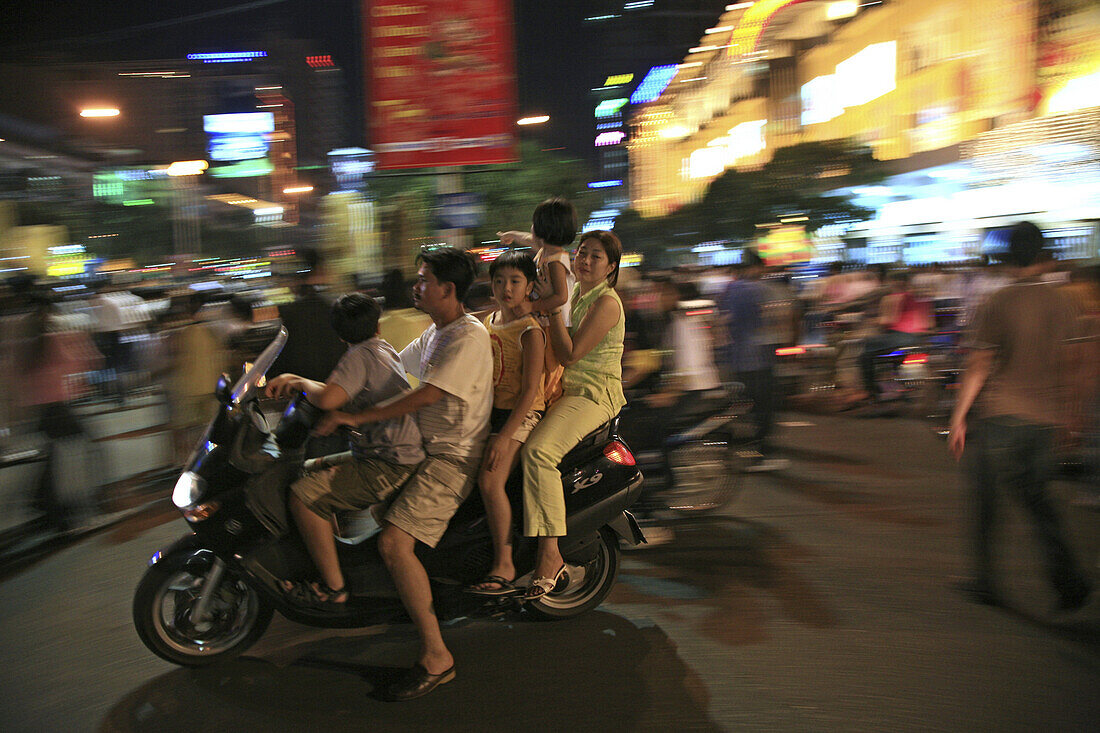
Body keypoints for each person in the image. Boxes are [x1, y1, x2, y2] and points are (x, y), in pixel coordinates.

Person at [318, 247, 493, 701]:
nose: (416, 287)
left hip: (452, 459)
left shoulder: (467, 336)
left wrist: (358, 418)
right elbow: (389, 367)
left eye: (423, 280)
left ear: (447, 290)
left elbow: (426, 396)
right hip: (422, 451)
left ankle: (437, 656)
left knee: (394, 542)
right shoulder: (435, 333)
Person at [948, 222, 1092, 612]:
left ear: (1010, 258)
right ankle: (1069, 581)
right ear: (1043, 256)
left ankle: (984, 582)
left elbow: (979, 364)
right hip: (1046, 422)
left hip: (1003, 419)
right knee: (1038, 502)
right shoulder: (1065, 302)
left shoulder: (1000, 301)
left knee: (987, 502)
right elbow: (1074, 365)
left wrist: (959, 416)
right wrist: (1071, 418)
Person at [265, 293, 424, 610]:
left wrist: (296, 380)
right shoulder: (380, 348)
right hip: (388, 452)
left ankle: (335, 587)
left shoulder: (358, 356)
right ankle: (329, 554)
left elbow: (328, 399)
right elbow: (335, 391)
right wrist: (300, 381)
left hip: (387, 462)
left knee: (303, 499)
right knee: (308, 470)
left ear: (338, 333)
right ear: (377, 326)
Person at [521, 230, 626, 600]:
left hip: (592, 395)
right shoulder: (578, 294)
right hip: (563, 391)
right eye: (582, 253)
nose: (584, 260)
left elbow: (570, 354)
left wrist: (549, 307)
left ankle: (550, 555)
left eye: (596, 257)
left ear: (611, 267)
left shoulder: (606, 303)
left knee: (539, 453)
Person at [466, 250, 547, 595]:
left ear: (529, 286)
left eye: (515, 281)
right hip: (491, 412)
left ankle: (505, 561)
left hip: (522, 413)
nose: (506, 288)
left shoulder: (531, 331)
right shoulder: (488, 322)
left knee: (489, 480)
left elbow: (530, 391)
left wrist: (504, 437)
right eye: (499, 281)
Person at [15, 292, 103, 531]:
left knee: (54, 455)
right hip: (56, 407)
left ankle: (43, 503)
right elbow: (76, 362)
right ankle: (71, 511)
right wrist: (85, 344)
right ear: (46, 313)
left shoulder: (31, 341)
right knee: (85, 447)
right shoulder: (50, 339)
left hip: (42, 408)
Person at [269, 247, 348, 457]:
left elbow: (279, 358)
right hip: (336, 398)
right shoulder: (335, 309)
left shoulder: (290, 314)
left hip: (307, 404)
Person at [718, 250, 785, 470]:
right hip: (760, 358)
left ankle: (736, 448)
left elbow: (721, 318)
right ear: (758, 268)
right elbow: (775, 319)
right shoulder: (762, 289)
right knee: (764, 407)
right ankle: (761, 454)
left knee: (743, 404)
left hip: (737, 358)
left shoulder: (730, 288)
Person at [847, 270, 931, 406]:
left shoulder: (895, 297)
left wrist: (872, 321)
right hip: (919, 339)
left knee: (866, 352)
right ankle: (894, 385)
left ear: (896, 282)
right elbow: (929, 324)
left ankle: (869, 391)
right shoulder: (922, 298)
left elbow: (888, 321)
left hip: (900, 337)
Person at [498, 196, 577, 325]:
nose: (532, 227)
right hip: (546, 319)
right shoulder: (546, 251)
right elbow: (528, 238)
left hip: (555, 324)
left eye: (534, 223)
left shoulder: (555, 262)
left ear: (543, 227)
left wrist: (532, 306)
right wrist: (511, 235)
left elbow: (561, 297)